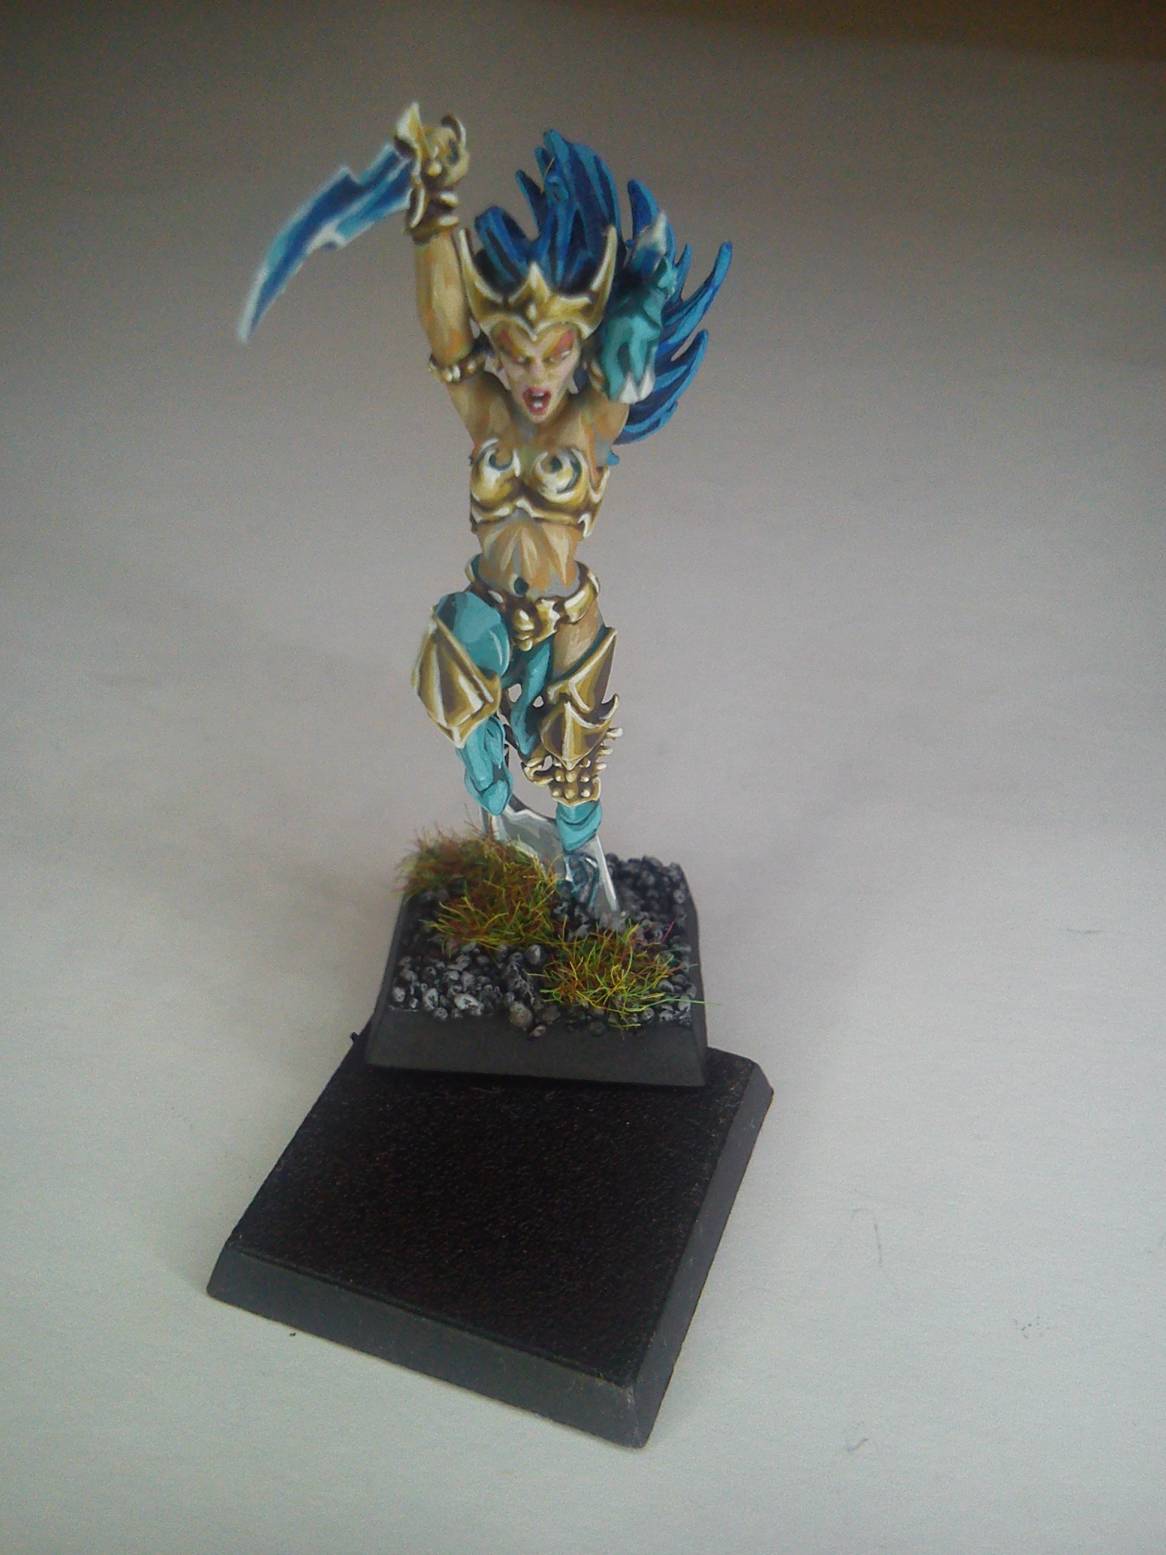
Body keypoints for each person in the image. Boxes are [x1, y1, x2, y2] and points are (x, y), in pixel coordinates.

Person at [399, 108, 730, 916]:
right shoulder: (488, 412)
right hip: (489, 604)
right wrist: (434, 215)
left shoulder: (588, 421)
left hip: (563, 613)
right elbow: (446, 336)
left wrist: (642, 303)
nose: (535, 373)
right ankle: (501, 816)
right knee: (449, 663)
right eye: (516, 353)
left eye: (553, 353)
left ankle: (581, 856)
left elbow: (623, 374)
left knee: (572, 751)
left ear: (578, 343)